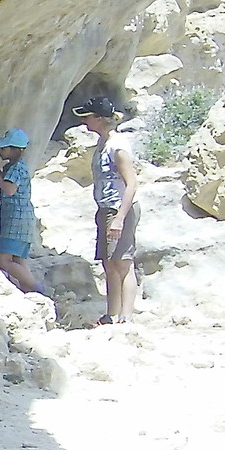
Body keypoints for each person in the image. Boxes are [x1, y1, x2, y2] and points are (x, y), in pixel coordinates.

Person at [72, 96, 139, 324]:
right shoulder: (103, 144)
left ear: (99, 119)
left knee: (123, 262)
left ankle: (126, 316)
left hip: (119, 209)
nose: (85, 121)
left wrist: (120, 218)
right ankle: (111, 314)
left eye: (89, 116)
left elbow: (131, 183)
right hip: (106, 208)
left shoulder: (117, 147)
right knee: (109, 263)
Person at [0, 128, 43, 294]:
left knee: (3, 261)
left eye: (4, 148)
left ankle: (37, 288)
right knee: (19, 260)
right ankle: (31, 294)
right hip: (23, 218)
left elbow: (9, 189)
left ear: (15, 150)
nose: (0, 151)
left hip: (15, 219)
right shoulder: (17, 166)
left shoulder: (16, 168)